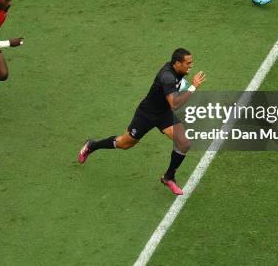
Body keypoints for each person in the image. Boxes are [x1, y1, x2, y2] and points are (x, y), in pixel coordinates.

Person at [78, 48, 206, 195]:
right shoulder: (167, 77)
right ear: (177, 63)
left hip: (164, 114)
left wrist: (182, 85)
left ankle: (168, 177)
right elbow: (175, 104)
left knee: (184, 143)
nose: (191, 65)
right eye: (188, 63)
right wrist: (193, 87)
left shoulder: (175, 70)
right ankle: (91, 145)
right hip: (146, 114)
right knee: (124, 144)